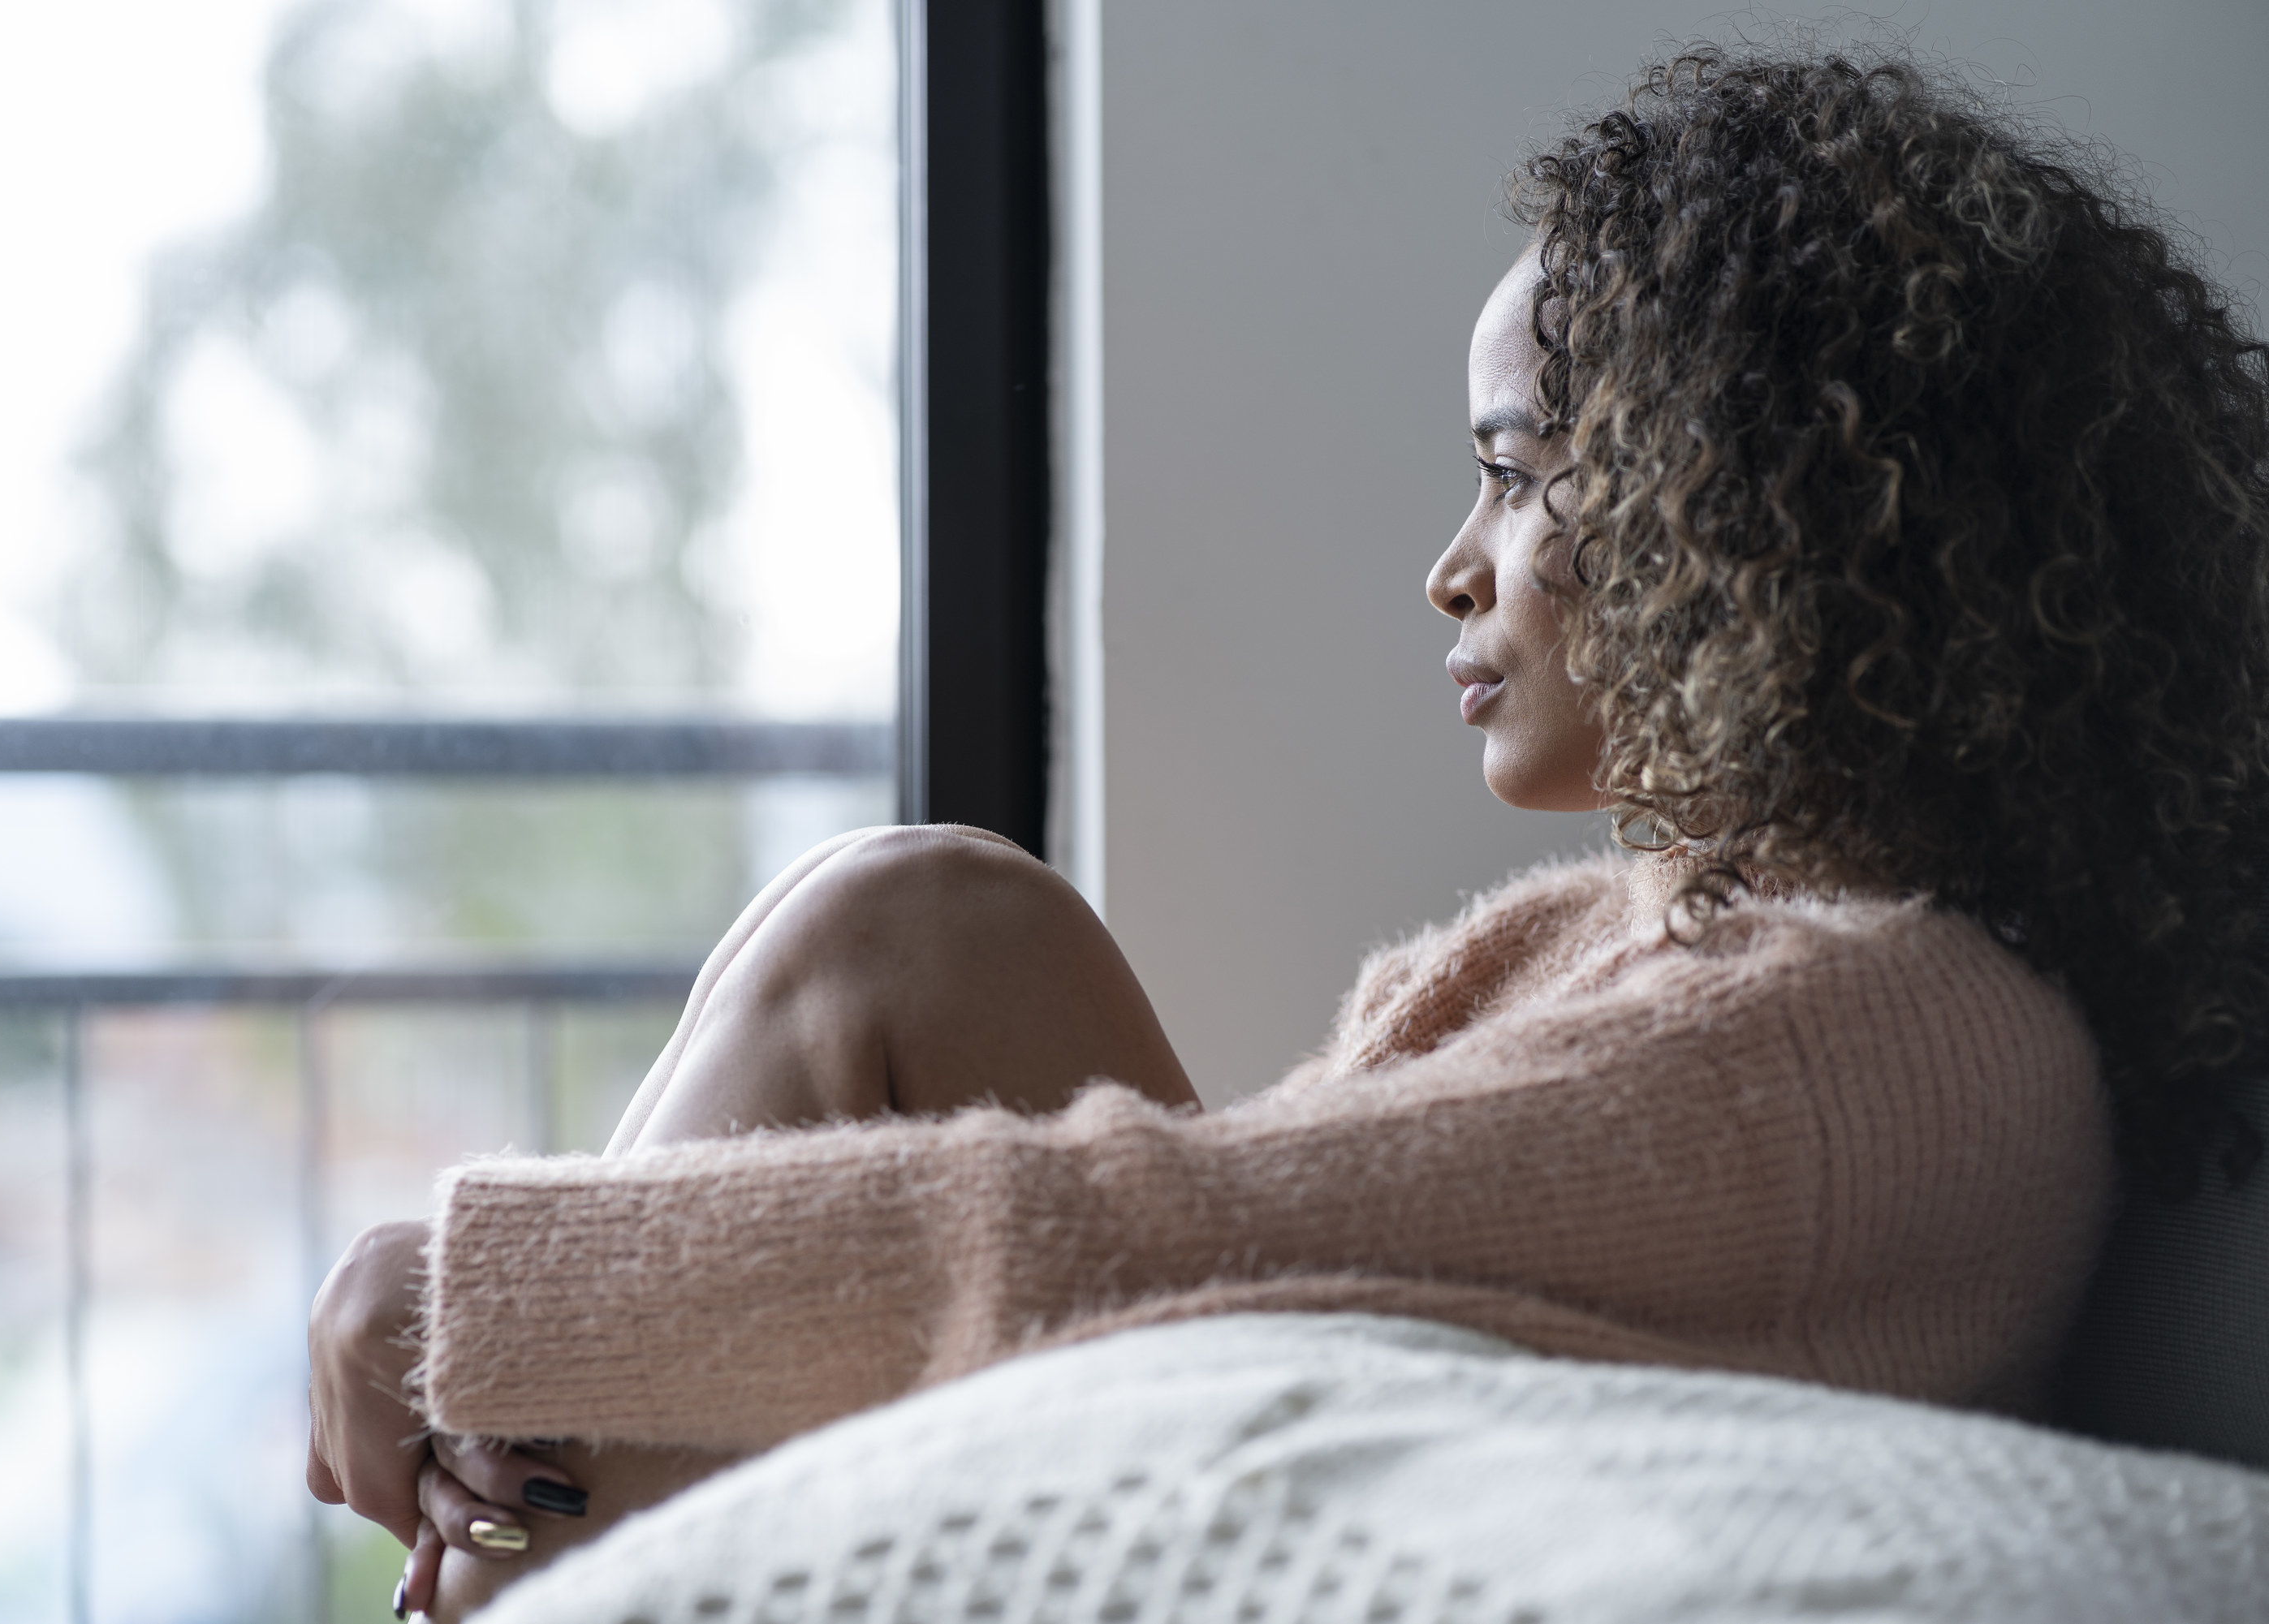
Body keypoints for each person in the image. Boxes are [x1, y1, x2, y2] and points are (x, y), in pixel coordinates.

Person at [308, 42, 2269, 1621]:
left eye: (1515, 478)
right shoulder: (1602, 945)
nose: (1450, 568)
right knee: (915, 924)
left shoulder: (1897, 1032)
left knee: (913, 925)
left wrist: (494, 1289)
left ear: (1751, 507)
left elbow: (1174, 1231)